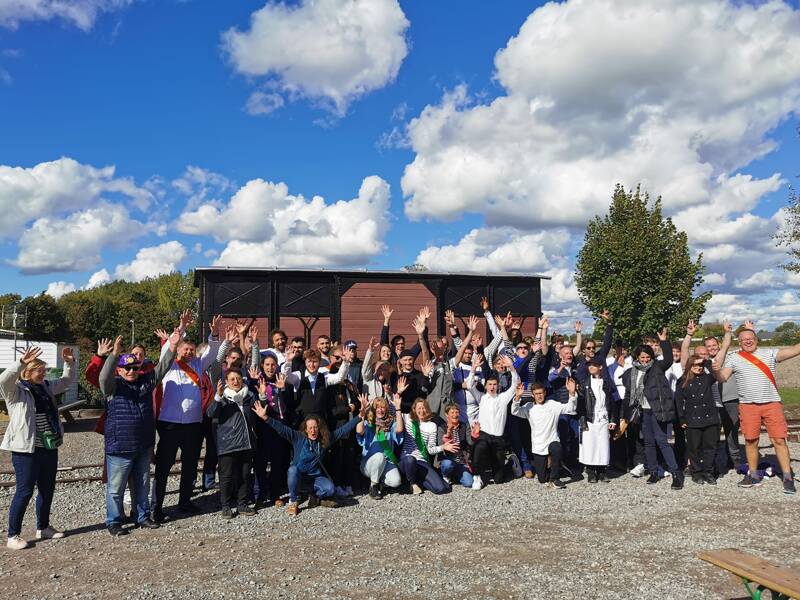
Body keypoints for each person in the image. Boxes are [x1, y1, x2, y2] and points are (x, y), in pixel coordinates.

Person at [98, 332, 178, 535]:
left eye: (135, 367)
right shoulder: (112, 387)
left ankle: (142, 516)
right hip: (119, 446)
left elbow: (161, 368)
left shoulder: (145, 382)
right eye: (127, 368)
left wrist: (172, 347)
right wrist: (114, 355)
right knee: (115, 489)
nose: (132, 371)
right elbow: (103, 376)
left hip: (143, 445)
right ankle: (114, 521)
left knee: (142, 485)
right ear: (120, 369)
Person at [1, 346, 76, 550]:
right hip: (26, 450)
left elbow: (67, 381)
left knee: (47, 489)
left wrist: (69, 363)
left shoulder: (46, 387)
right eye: (38, 370)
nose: (43, 373)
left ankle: (43, 527)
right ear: (27, 371)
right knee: (24, 491)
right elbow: (3, 380)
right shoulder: (15, 391)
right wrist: (20, 362)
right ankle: (13, 535)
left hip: (48, 446)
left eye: (43, 370)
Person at [151, 311, 223, 522]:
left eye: (192, 349)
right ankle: (156, 507)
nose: (190, 352)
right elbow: (168, 346)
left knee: (190, 467)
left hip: (193, 425)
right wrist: (181, 327)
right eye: (186, 348)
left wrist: (215, 333)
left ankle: (185, 502)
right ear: (179, 349)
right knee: (164, 467)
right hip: (169, 425)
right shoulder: (170, 364)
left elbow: (214, 352)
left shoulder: (199, 365)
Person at [716, 320, 797, 494]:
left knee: (779, 440)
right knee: (751, 440)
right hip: (748, 405)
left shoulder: (770, 354)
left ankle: (788, 476)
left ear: (756, 339)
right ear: (739, 342)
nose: (747, 341)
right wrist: (715, 370)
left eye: (750, 338)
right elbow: (722, 377)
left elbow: (794, 350)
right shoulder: (734, 357)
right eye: (744, 339)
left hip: (771, 403)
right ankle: (753, 475)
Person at [251, 400, 365, 516]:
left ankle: (315, 497)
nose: (313, 430)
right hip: (298, 477)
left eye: (315, 427)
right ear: (305, 429)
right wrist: (265, 417)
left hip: (315, 478)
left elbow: (342, 430)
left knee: (330, 489)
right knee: (292, 470)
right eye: (310, 428)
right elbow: (281, 428)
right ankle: (294, 501)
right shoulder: (298, 438)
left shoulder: (324, 440)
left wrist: (360, 416)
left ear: (318, 428)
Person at [622, 329, 684, 490]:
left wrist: (664, 341)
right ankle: (654, 470)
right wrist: (626, 414)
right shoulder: (632, 372)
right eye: (642, 357)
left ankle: (676, 472)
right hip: (643, 411)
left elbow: (669, 359)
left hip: (657, 410)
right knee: (648, 442)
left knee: (662, 441)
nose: (645, 360)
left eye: (647, 357)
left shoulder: (657, 367)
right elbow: (629, 393)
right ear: (637, 357)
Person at [207, 371, 258, 519]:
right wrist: (217, 396)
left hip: (246, 441)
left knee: (244, 475)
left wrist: (261, 397)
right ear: (227, 382)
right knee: (226, 476)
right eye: (232, 379)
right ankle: (226, 505)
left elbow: (258, 411)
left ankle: (242, 503)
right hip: (228, 443)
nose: (236, 381)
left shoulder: (249, 396)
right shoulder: (223, 398)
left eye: (238, 378)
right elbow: (211, 413)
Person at [466, 354, 520, 489]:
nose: (492, 387)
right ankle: (477, 477)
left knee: (499, 479)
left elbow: (515, 383)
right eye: (489, 384)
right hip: (484, 435)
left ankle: (510, 463)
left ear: (498, 386)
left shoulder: (503, 398)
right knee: (480, 447)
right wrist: (474, 367)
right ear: (485, 386)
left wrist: (511, 367)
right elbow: (469, 384)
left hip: (498, 439)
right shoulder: (481, 397)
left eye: (494, 384)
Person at [511, 380, 578, 489]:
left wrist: (572, 393)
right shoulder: (529, 407)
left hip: (552, 442)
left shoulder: (553, 405)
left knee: (556, 447)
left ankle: (555, 478)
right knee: (542, 479)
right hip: (538, 446)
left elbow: (571, 408)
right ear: (533, 395)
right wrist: (517, 397)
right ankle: (557, 466)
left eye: (541, 393)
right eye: (537, 394)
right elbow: (515, 411)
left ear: (545, 393)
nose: (539, 396)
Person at [675, 350, 725, 485]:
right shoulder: (682, 381)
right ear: (689, 366)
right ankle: (696, 473)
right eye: (695, 365)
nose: (698, 367)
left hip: (710, 418)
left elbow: (713, 369)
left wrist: (704, 361)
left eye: (700, 365)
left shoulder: (708, 378)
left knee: (711, 447)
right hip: (692, 419)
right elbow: (679, 402)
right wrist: (682, 418)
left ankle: (708, 472)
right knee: (694, 448)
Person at [577, 356, 619, 483]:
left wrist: (612, 420)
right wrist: (583, 421)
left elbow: (612, 403)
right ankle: (590, 471)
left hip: (604, 418)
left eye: (594, 365)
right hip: (590, 418)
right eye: (589, 365)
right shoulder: (584, 383)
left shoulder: (607, 382)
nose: (591, 367)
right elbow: (581, 405)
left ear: (600, 367)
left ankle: (602, 471)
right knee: (590, 445)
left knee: (603, 445)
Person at [399, 397, 451, 495]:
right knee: (410, 459)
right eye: (419, 408)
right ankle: (413, 483)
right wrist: (395, 396)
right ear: (414, 409)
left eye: (424, 408)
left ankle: (419, 480)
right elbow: (394, 413)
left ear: (427, 409)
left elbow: (430, 449)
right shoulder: (407, 418)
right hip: (406, 461)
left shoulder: (432, 425)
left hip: (422, 461)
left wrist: (443, 447)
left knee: (441, 489)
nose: (421, 411)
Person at [356, 394, 404, 499]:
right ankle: (373, 485)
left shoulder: (390, 423)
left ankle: (381, 483)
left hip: (387, 462)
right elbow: (359, 431)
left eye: (382, 407)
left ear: (386, 409)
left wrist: (398, 409)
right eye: (377, 407)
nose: (380, 410)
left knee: (396, 481)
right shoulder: (369, 424)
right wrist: (363, 411)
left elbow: (399, 430)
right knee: (379, 456)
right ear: (373, 409)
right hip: (368, 464)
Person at [437, 402, 475, 488]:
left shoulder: (464, 426)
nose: (455, 415)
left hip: (461, 461)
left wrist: (474, 435)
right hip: (448, 459)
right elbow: (440, 445)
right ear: (447, 415)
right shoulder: (442, 427)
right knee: (448, 464)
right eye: (452, 412)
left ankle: (455, 475)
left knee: (469, 483)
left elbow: (470, 442)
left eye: (457, 412)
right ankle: (446, 475)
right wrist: (448, 434)